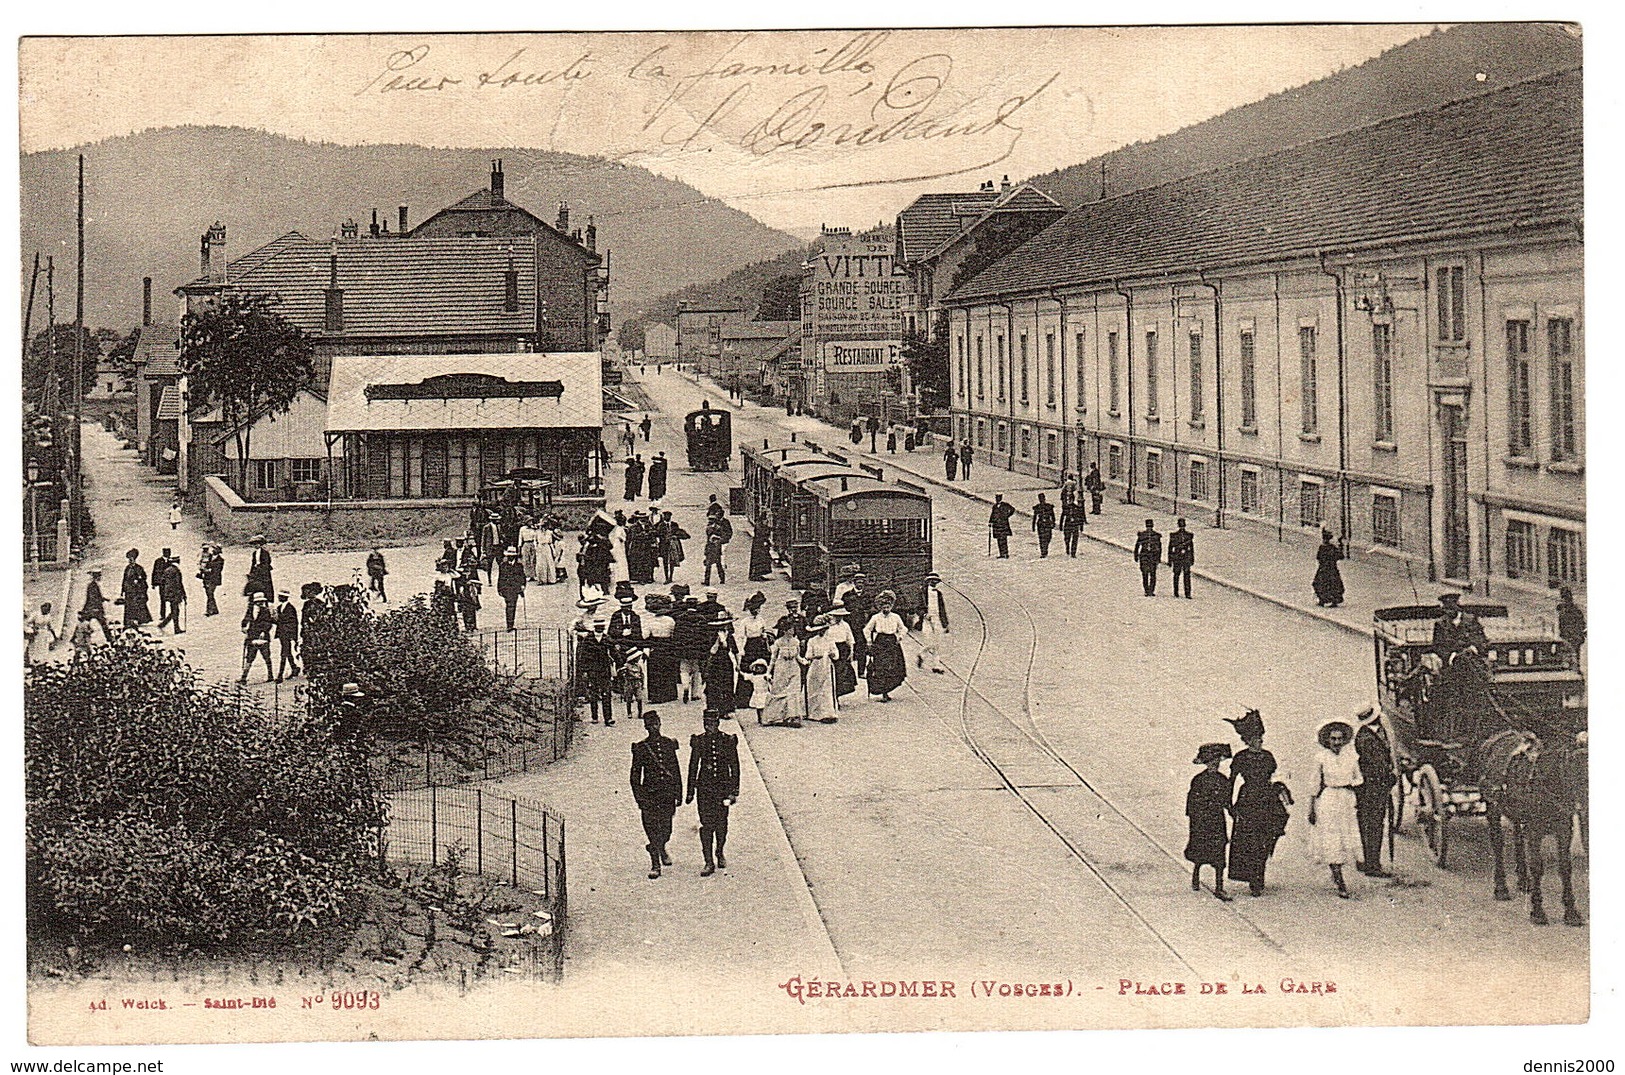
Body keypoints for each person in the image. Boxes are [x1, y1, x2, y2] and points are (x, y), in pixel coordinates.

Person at [1226, 709, 1290, 898]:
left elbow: (1274, 776)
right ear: (1247, 740)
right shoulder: (1241, 757)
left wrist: (1280, 789)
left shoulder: (1268, 756)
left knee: (1265, 838)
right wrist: (1229, 805)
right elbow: (1231, 782)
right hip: (1248, 800)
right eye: (1255, 738)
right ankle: (1253, 879)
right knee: (1248, 841)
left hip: (1267, 799)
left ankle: (1258, 875)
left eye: (1261, 737)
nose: (1260, 740)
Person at [1308, 719, 1362, 898]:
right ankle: (1340, 881)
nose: (1337, 743)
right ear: (1327, 740)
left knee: (1344, 838)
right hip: (1329, 800)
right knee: (1332, 840)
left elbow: (1359, 778)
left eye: (1340, 739)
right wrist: (1312, 809)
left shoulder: (1351, 757)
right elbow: (1315, 785)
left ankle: (1336, 872)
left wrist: (1349, 784)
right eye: (1333, 739)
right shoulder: (1321, 758)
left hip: (1346, 800)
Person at [630, 712, 683, 878]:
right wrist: (640, 798)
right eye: (649, 724)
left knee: (667, 829)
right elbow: (635, 776)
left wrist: (679, 793)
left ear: (660, 723)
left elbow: (675, 770)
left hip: (667, 794)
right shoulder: (640, 747)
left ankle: (660, 846)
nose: (653, 727)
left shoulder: (668, 744)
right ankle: (655, 863)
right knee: (652, 827)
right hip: (650, 794)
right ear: (646, 727)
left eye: (655, 723)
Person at [687, 709, 740, 876]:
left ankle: (719, 850)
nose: (708, 726)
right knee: (706, 825)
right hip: (705, 789)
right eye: (706, 723)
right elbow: (693, 766)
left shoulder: (727, 740)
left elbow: (735, 767)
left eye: (711, 723)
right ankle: (708, 861)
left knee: (722, 824)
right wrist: (690, 791)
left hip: (722, 788)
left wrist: (734, 791)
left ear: (718, 723)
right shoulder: (699, 741)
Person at [1186, 743, 1235, 902]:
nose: (1215, 764)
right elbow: (1191, 803)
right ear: (1206, 763)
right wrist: (1195, 820)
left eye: (1217, 761)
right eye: (1212, 761)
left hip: (1216, 819)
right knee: (1201, 851)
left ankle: (1219, 887)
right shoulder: (1198, 780)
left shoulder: (1223, 780)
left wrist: (1234, 814)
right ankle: (1196, 874)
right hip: (1202, 820)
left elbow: (1227, 801)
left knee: (1219, 852)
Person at [1352, 706, 1396, 878]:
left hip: (1370, 788)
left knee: (1369, 825)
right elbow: (1379, 768)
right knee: (1374, 826)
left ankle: (1368, 860)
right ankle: (1373, 865)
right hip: (1372, 789)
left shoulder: (1369, 733)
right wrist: (1390, 777)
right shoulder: (1367, 739)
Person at [864, 590, 908, 702]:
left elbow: (903, 628)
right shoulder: (876, 617)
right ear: (880, 607)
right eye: (884, 606)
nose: (886, 609)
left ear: (891, 606)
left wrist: (900, 637)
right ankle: (883, 692)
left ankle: (888, 690)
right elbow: (867, 629)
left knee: (894, 667)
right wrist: (869, 641)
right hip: (880, 643)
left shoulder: (896, 617)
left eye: (888, 606)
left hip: (892, 642)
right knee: (881, 668)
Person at [762, 630, 807, 728]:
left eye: (792, 629)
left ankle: (792, 717)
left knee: (793, 692)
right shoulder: (778, 642)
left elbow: (798, 656)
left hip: (794, 668)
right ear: (784, 630)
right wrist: (768, 672)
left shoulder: (796, 642)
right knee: (780, 692)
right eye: (790, 629)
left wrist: (804, 661)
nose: (791, 631)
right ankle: (777, 717)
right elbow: (773, 659)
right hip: (781, 669)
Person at [578, 616, 617, 725]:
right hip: (592, 670)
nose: (600, 628)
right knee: (593, 694)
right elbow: (583, 656)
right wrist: (584, 671)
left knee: (606, 694)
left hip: (604, 670)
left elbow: (614, 653)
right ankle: (594, 716)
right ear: (595, 627)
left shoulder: (607, 639)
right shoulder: (588, 639)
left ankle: (608, 718)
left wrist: (621, 664)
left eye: (602, 627)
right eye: (598, 627)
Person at [642, 595, 680, 705]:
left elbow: (645, 636)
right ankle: (670, 694)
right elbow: (673, 634)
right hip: (667, 645)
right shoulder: (670, 620)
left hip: (656, 646)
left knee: (655, 671)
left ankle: (656, 695)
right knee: (668, 669)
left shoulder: (650, 621)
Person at [803, 615, 840, 724]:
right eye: (819, 630)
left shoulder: (830, 640)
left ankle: (827, 713)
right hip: (815, 666)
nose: (821, 632)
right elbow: (808, 655)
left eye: (823, 630)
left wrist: (832, 654)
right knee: (814, 688)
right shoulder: (812, 641)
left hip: (826, 665)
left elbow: (836, 654)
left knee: (826, 689)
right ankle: (814, 713)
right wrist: (816, 656)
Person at [703, 611, 740, 717]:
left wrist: (737, 664)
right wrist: (718, 641)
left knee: (726, 685)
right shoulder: (711, 636)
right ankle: (713, 708)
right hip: (714, 662)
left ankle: (725, 710)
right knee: (713, 685)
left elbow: (735, 651)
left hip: (725, 661)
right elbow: (712, 651)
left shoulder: (729, 636)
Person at [916, 572, 950, 673]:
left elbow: (942, 609)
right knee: (930, 641)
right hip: (927, 620)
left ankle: (936, 665)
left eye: (935, 581)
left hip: (937, 619)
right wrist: (924, 615)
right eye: (932, 581)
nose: (934, 582)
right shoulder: (922, 593)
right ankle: (922, 655)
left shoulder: (938, 594)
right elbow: (918, 608)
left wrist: (945, 623)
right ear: (928, 581)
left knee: (937, 643)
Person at [240, 595, 276, 684]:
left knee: (266, 657)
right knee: (249, 657)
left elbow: (268, 623)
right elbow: (245, 619)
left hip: (263, 637)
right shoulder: (250, 610)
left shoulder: (266, 611)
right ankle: (244, 677)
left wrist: (264, 631)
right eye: (258, 602)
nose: (260, 603)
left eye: (261, 601)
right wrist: (244, 627)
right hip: (252, 636)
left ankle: (270, 675)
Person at [826, 602, 858, 697]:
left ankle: (838, 694)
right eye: (837, 616)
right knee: (833, 672)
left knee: (843, 672)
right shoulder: (829, 626)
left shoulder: (845, 625)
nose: (839, 618)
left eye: (841, 616)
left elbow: (850, 638)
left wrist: (851, 651)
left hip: (843, 649)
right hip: (832, 649)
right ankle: (833, 695)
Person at [737, 592, 772, 671]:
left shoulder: (761, 620)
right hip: (750, 645)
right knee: (749, 666)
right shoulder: (745, 621)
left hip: (761, 644)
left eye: (758, 609)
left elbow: (764, 630)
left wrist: (765, 636)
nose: (757, 611)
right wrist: (741, 649)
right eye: (754, 609)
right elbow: (741, 637)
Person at [1312, 529, 1346, 608]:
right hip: (1331, 569)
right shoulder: (1332, 548)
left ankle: (1323, 600)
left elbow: (1318, 557)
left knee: (1321, 584)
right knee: (1333, 585)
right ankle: (1332, 601)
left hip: (1323, 569)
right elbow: (1340, 557)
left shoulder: (1322, 547)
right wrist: (1340, 547)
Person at [79, 567, 113, 644]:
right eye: (99, 576)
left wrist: (104, 599)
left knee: (85, 623)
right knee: (103, 623)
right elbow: (93, 598)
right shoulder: (93, 586)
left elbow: (93, 597)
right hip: (95, 608)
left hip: (91, 608)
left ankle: (82, 638)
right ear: (96, 576)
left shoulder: (92, 585)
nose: (100, 577)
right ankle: (109, 639)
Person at [120, 548, 152, 629]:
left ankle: (138, 620)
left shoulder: (139, 568)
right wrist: (122, 590)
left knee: (137, 605)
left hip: (136, 591)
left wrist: (138, 580)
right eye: (129, 560)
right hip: (129, 591)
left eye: (132, 559)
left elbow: (144, 577)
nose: (130, 561)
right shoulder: (127, 568)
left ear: (134, 560)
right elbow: (124, 579)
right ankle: (129, 621)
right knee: (129, 606)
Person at [497, 546, 527, 630]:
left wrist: (523, 585)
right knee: (510, 605)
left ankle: (510, 623)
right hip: (506, 589)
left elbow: (522, 577)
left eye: (512, 556)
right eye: (509, 556)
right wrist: (499, 589)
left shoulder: (519, 566)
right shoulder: (503, 565)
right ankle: (509, 624)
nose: (510, 557)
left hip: (515, 588)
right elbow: (500, 578)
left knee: (512, 605)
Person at [273, 590, 300, 682]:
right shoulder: (279, 607)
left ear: (284, 597)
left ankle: (280, 675)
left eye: (280, 596)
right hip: (282, 634)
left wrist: (294, 636)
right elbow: (278, 621)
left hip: (287, 634)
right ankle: (294, 668)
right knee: (287, 652)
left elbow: (294, 623)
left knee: (284, 654)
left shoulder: (290, 608)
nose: (278, 597)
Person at [157, 552, 187, 634]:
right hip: (175, 593)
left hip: (169, 593)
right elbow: (179, 584)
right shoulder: (176, 571)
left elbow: (163, 582)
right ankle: (173, 628)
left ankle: (166, 625)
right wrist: (183, 594)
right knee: (175, 611)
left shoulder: (166, 570)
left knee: (174, 610)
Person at [1133, 519, 1162, 597]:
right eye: (1148, 526)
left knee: (1153, 574)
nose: (1149, 528)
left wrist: (1158, 557)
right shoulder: (1142, 535)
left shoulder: (1156, 535)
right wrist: (1136, 556)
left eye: (1150, 526)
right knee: (1145, 574)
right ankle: (1146, 590)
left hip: (1153, 556)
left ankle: (1151, 590)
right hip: (1144, 556)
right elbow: (1137, 546)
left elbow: (1159, 547)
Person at [1556, 586, 1586, 661]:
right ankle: (1575, 667)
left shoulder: (1566, 608)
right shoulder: (1574, 609)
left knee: (1570, 653)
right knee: (1574, 653)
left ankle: (1573, 667)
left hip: (1570, 634)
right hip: (1573, 634)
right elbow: (1582, 623)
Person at [1167, 518, 1195, 599]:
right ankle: (1176, 592)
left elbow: (1191, 548)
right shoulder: (1174, 535)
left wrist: (1192, 558)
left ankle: (1188, 593)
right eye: (1180, 526)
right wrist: (1170, 560)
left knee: (1187, 575)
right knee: (1176, 575)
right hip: (1177, 557)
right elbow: (1170, 548)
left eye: (1183, 526)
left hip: (1186, 557)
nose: (1182, 527)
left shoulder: (1189, 536)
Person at [245, 534, 274, 607]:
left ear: (260, 544)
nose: (255, 545)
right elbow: (253, 563)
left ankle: (266, 602)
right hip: (256, 572)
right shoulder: (254, 553)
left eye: (257, 544)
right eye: (254, 544)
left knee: (265, 587)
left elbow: (267, 563)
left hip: (264, 573)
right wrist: (251, 573)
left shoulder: (265, 553)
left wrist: (260, 568)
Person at [740, 659, 770, 725]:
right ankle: (760, 718)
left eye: (761, 667)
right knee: (758, 707)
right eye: (757, 667)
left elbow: (770, 679)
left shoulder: (765, 676)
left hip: (764, 693)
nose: (759, 669)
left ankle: (764, 719)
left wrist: (769, 679)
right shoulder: (753, 676)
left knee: (763, 707)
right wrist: (739, 671)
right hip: (757, 693)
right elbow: (745, 675)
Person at [198, 543, 225, 616]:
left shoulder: (220, 560)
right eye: (213, 548)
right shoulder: (209, 557)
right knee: (209, 594)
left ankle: (209, 610)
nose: (213, 550)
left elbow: (217, 571)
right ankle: (215, 609)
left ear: (218, 551)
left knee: (210, 593)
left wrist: (207, 570)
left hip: (214, 579)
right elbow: (204, 564)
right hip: (206, 578)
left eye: (215, 549)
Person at [1031, 494, 1056, 558]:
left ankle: (1045, 548)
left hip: (1048, 523)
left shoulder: (1049, 507)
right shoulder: (1037, 507)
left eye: (1042, 498)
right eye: (1040, 499)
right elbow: (1034, 517)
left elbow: (1053, 516)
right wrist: (1033, 526)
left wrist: (1053, 523)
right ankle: (1043, 552)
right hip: (1041, 524)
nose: (1041, 500)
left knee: (1048, 537)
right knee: (1041, 538)